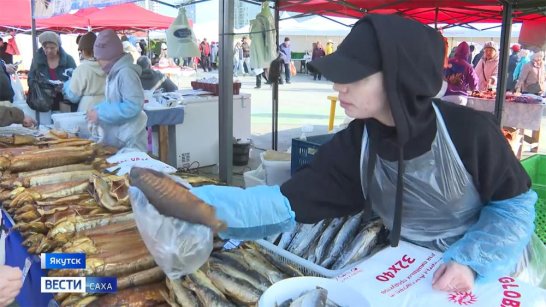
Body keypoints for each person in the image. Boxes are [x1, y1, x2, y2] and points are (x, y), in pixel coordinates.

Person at [159, 14, 540, 293]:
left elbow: (514, 208)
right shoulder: (357, 144)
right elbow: (284, 204)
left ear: (398, 77)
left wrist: (472, 262)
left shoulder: (468, 131)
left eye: (354, 76)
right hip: (413, 271)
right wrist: (197, 204)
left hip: (495, 272)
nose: (339, 85)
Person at [86, 29, 147, 151]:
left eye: (99, 58)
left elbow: (133, 106)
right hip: (121, 137)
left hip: (131, 139)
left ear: (109, 56)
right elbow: (114, 102)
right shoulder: (114, 73)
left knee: (133, 170)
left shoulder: (126, 73)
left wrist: (101, 113)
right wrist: (97, 109)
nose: (98, 62)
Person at [28, 31, 77, 111]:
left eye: (52, 48)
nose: (49, 50)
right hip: (43, 101)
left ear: (58, 47)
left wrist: (63, 86)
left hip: (64, 101)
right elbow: (30, 79)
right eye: (46, 48)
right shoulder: (37, 60)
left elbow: (76, 80)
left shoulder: (68, 60)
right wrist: (42, 86)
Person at [63, 32, 106, 112]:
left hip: (88, 109)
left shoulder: (82, 69)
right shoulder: (108, 65)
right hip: (107, 107)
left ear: (83, 51)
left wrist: (66, 85)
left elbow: (73, 97)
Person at [442, 41, 479, 106]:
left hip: (445, 95)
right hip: (460, 97)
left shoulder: (447, 62)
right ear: (468, 53)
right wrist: (475, 90)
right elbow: (474, 83)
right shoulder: (468, 67)